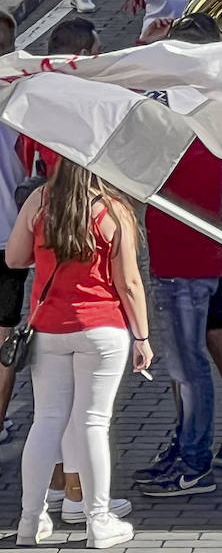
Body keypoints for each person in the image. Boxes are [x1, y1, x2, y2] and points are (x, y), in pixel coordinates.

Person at [8, 158, 152, 548]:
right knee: (93, 423)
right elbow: (130, 282)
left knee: (46, 421)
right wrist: (142, 337)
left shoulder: (39, 201)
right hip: (102, 329)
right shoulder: (112, 210)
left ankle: (29, 521)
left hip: (49, 327)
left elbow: (14, 259)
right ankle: (97, 521)